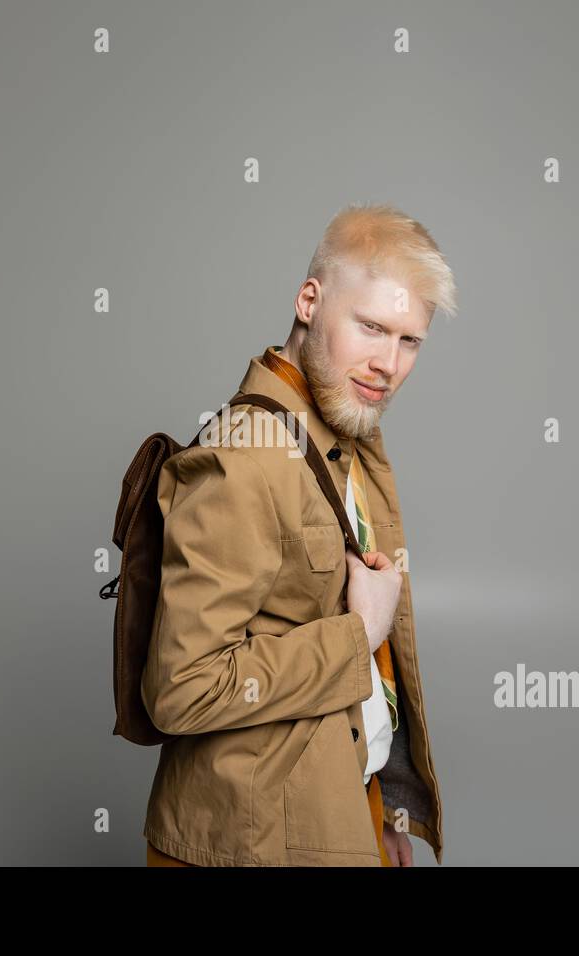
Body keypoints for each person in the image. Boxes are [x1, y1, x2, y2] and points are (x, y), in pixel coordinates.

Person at [142, 202, 457, 866]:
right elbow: (180, 688)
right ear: (309, 301)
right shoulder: (245, 459)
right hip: (251, 843)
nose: (388, 365)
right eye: (370, 327)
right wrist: (357, 633)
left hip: (332, 811)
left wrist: (376, 809)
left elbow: (345, 673)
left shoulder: (338, 434)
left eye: (409, 341)